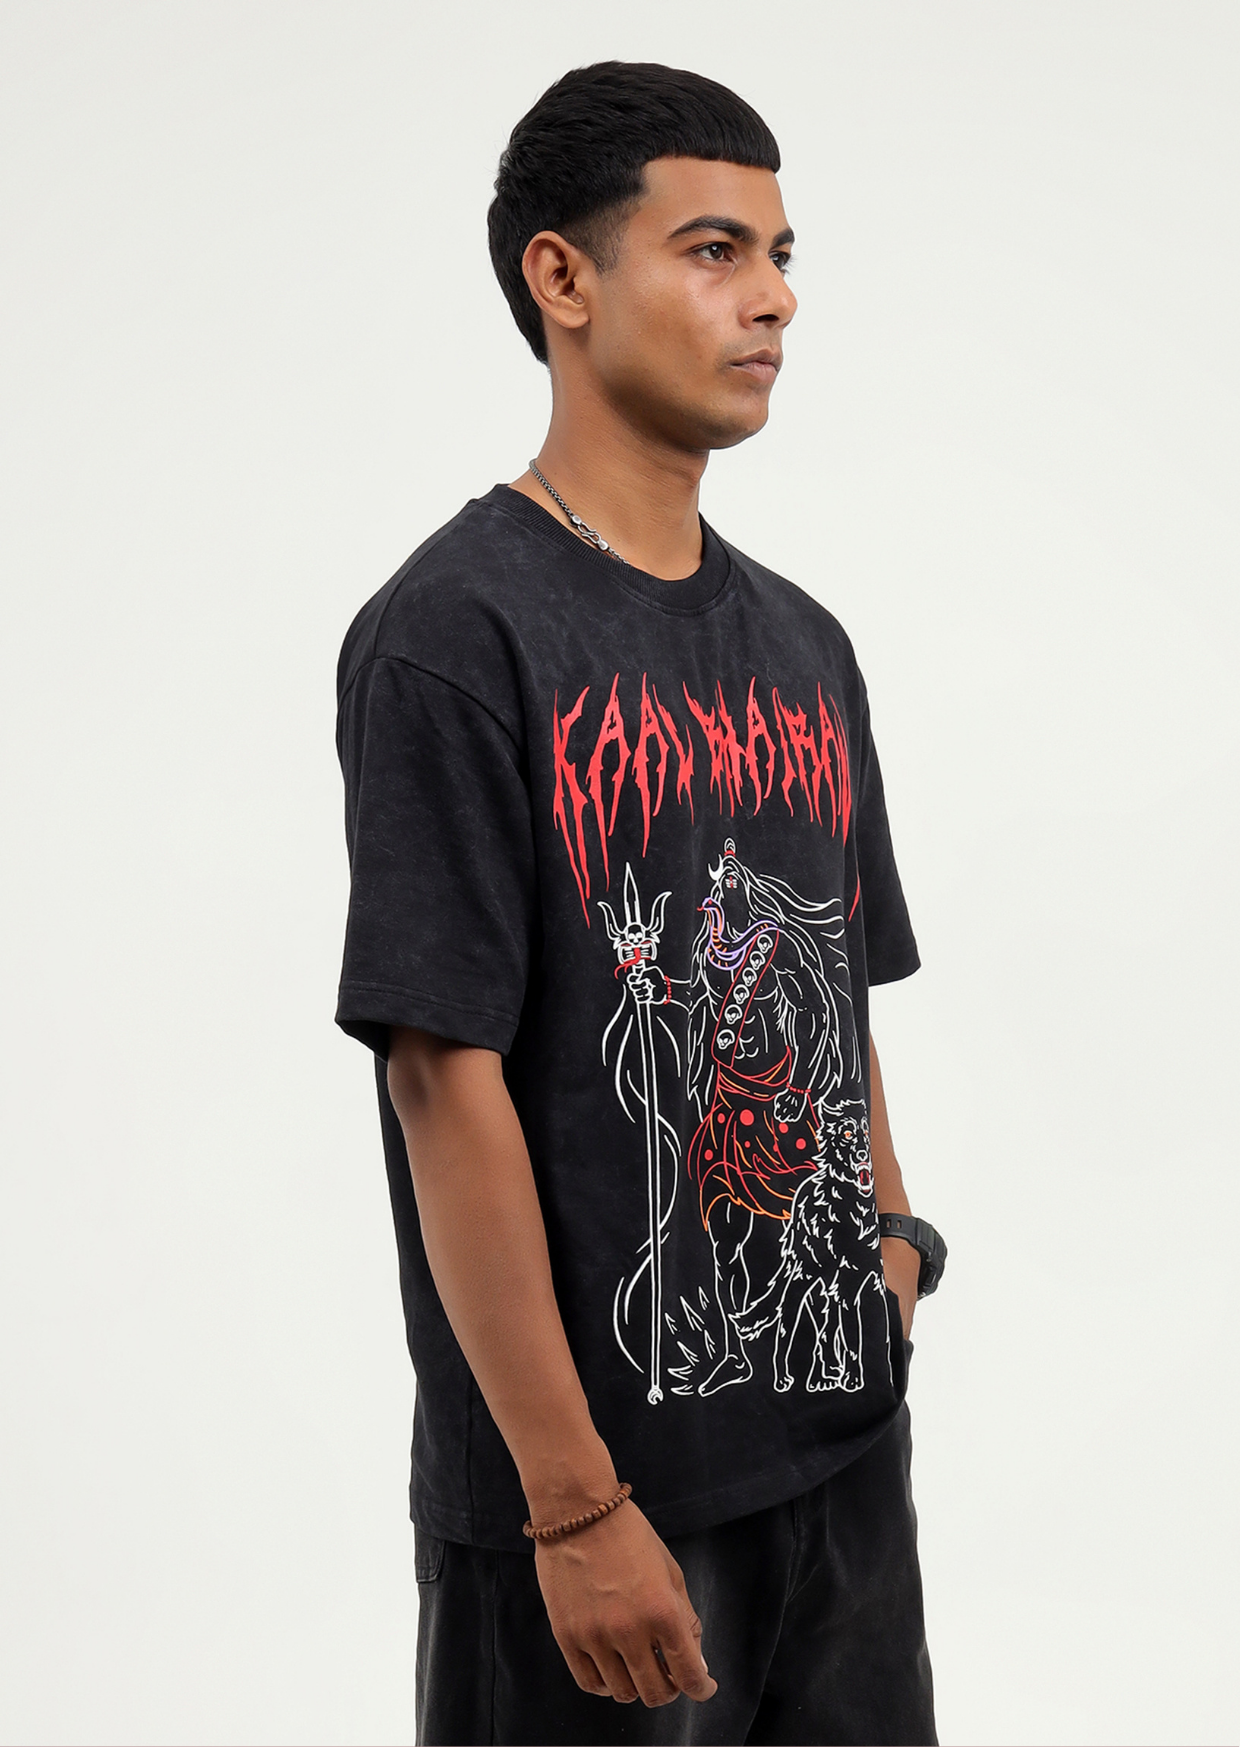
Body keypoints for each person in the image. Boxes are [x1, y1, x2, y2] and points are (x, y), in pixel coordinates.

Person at [335, 60, 945, 1747]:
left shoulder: (804, 643)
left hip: (840, 1457)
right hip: (603, 1509)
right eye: (713, 249)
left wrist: (896, 1251)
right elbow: (439, 1074)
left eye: (781, 253)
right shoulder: (457, 634)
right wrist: (571, 1504)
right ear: (564, 277)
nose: (775, 298)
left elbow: (840, 992)